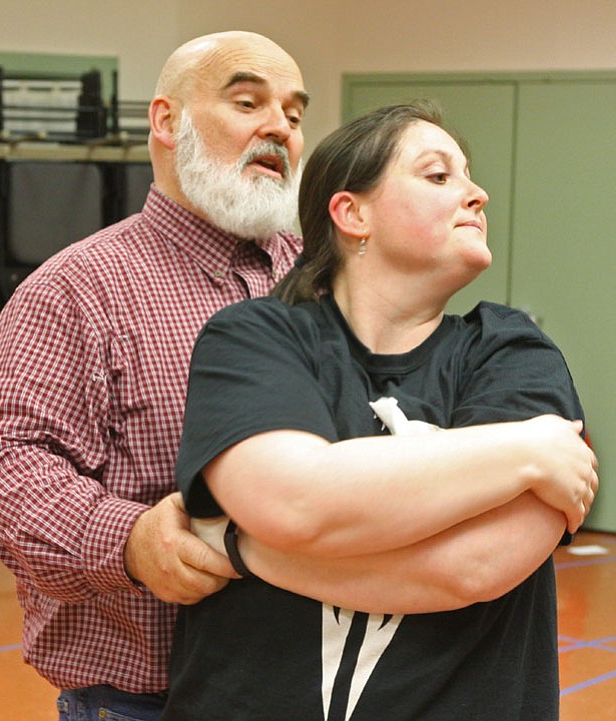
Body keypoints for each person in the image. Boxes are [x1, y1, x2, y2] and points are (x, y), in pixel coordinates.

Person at [159, 102, 599, 721]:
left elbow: (472, 567)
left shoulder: (514, 350)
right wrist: (527, 452)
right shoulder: (254, 337)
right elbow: (297, 502)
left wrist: (238, 545)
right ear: (352, 214)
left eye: (469, 176)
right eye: (438, 176)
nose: (478, 194)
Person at [0, 30, 307, 720]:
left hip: (315, 687)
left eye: (295, 115)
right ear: (167, 121)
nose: (279, 129)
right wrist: (129, 541)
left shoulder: (318, 278)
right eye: (248, 101)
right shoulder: (77, 290)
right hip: (150, 704)